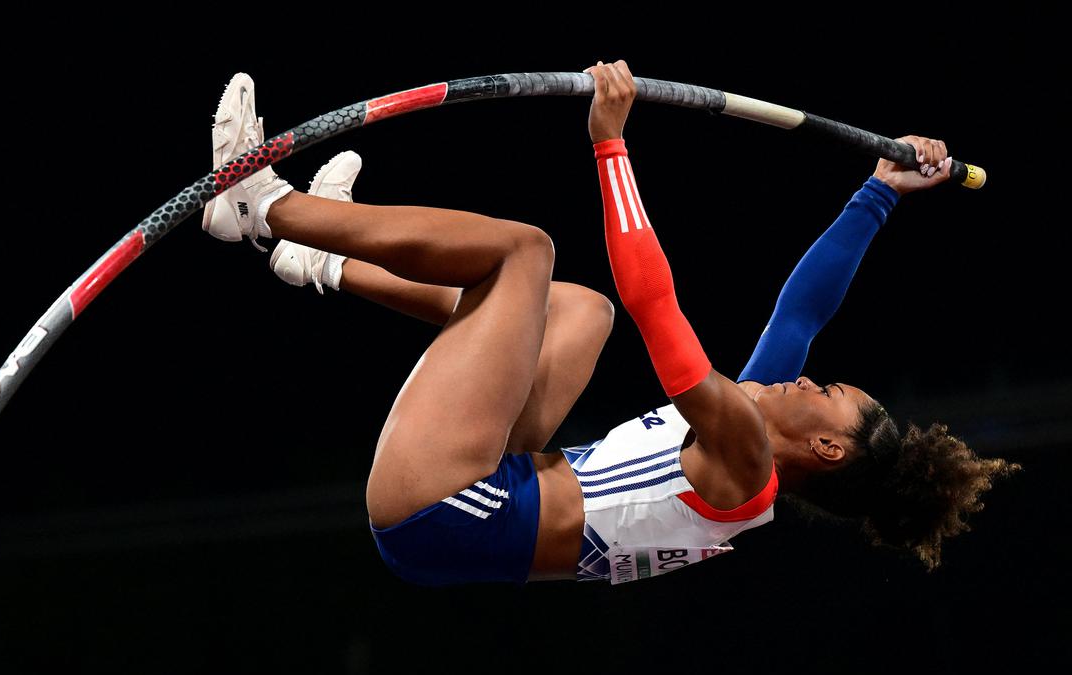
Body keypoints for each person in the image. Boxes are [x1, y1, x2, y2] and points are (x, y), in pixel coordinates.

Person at [200, 65, 1016, 586]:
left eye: (829, 391)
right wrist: (876, 194)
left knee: (523, 254)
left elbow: (655, 306)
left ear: (828, 447)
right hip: (499, 484)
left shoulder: (740, 451)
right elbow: (803, 309)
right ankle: (320, 258)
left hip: (444, 506)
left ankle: (268, 206)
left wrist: (609, 145)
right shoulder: (751, 430)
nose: (810, 377)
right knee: (573, 310)